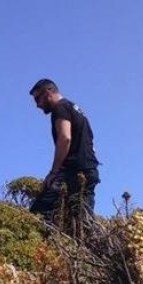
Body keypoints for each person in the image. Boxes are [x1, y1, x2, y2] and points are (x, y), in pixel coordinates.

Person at [28, 78, 100, 216]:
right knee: (79, 219)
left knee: (40, 212)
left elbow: (65, 137)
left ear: (48, 92)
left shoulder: (60, 108)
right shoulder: (74, 108)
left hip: (74, 172)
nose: (37, 105)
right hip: (89, 169)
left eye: (38, 99)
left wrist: (54, 172)